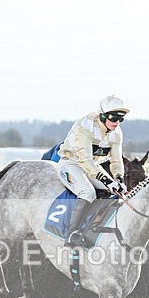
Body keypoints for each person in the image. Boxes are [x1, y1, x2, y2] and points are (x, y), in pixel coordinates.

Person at [56, 94, 130, 246]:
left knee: (113, 191)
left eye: (120, 119)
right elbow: (84, 160)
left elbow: (116, 160)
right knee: (88, 192)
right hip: (70, 163)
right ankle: (72, 234)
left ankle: (92, 228)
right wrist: (106, 180)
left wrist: (119, 179)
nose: (117, 123)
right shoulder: (86, 126)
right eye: (114, 118)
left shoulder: (117, 133)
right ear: (102, 116)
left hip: (91, 167)